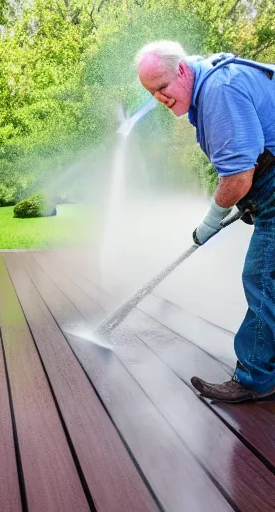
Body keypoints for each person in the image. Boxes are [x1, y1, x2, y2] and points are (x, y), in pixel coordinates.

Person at [136, 40, 275, 403]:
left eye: (162, 87)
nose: (160, 98)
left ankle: (255, 379)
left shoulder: (219, 90)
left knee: (262, 277)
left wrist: (211, 221)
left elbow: (238, 176)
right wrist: (251, 201)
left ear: (182, 71)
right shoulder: (213, 81)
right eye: (152, 93)